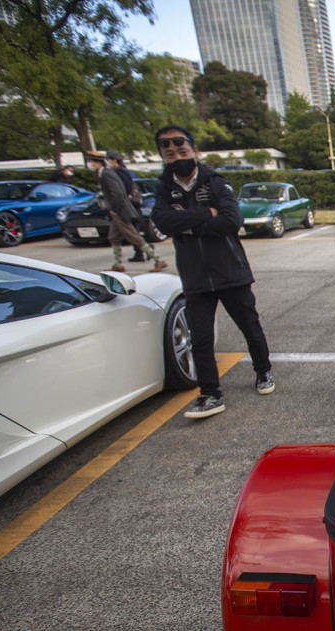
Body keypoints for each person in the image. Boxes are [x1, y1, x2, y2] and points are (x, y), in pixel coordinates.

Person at [148, 126, 274, 420]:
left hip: (231, 272)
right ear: (163, 157)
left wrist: (186, 224)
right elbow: (162, 222)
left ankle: (263, 370)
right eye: (169, 154)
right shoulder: (164, 188)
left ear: (194, 151)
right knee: (200, 338)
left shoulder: (215, 183)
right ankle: (210, 393)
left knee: (250, 326)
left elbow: (231, 220)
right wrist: (206, 214)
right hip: (195, 278)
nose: (177, 157)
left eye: (182, 151)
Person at [84, 150, 166, 273]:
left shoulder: (107, 174)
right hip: (117, 210)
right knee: (113, 237)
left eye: (91, 161)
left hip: (119, 211)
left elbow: (117, 193)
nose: (90, 164)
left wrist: (114, 209)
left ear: (96, 162)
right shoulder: (105, 173)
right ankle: (117, 264)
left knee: (134, 236)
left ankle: (158, 260)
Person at [106, 149, 148, 263]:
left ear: (114, 160)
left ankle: (147, 252)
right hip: (125, 208)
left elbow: (122, 192)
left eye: (108, 159)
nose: (107, 162)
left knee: (131, 233)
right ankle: (144, 252)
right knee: (126, 234)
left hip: (126, 208)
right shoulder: (121, 172)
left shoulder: (121, 173)